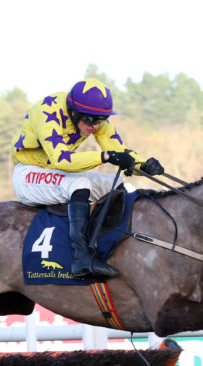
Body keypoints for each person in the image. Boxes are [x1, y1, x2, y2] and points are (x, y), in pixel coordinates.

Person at [11, 78, 164, 279]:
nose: (94, 126)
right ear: (72, 111)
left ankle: (107, 245)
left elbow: (118, 151)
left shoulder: (96, 122)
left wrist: (142, 165)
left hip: (56, 174)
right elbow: (61, 159)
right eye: (90, 120)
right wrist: (105, 157)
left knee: (116, 183)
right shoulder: (47, 112)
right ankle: (81, 258)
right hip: (28, 173)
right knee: (78, 184)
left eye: (100, 120)